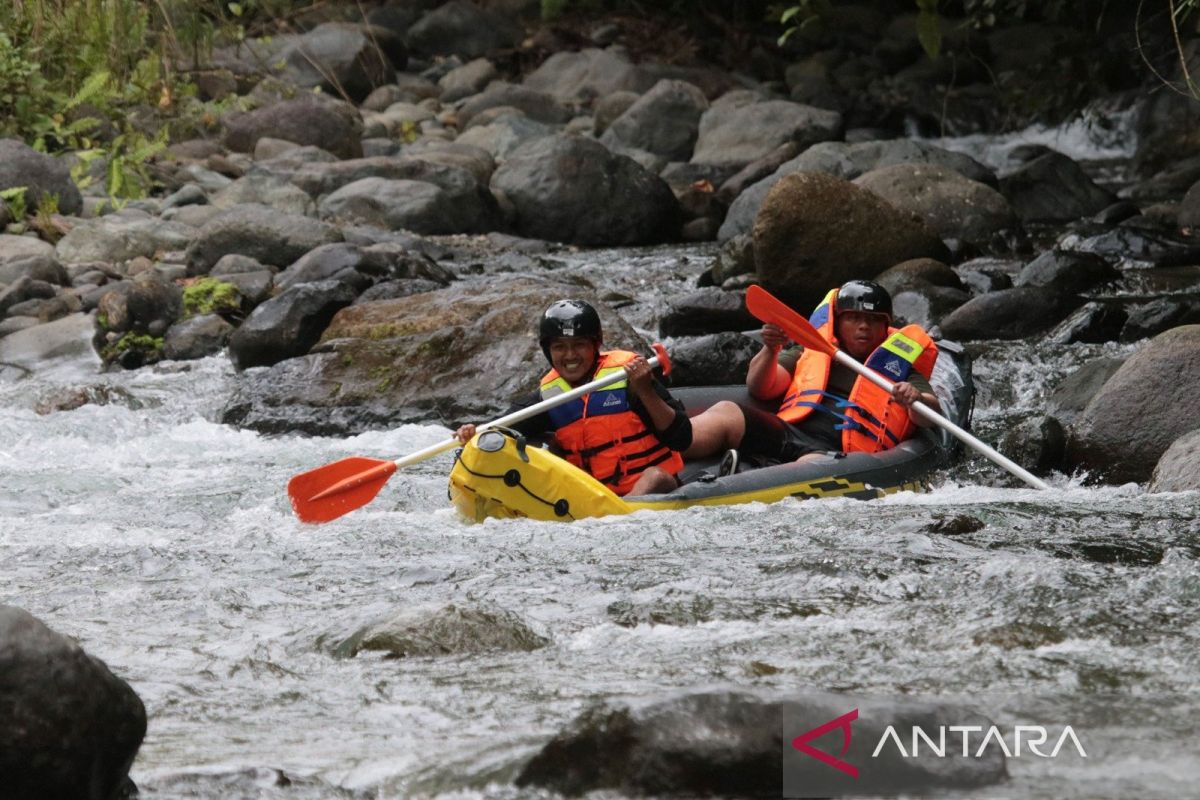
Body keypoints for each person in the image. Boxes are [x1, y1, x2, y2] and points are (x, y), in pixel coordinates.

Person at [685, 280, 942, 468]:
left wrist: (914, 398)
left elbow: (929, 415)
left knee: (811, 466)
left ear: (886, 327)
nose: (864, 326)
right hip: (788, 431)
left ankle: (742, 480)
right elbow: (760, 387)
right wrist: (771, 349)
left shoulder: (901, 367)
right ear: (839, 322)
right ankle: (667, 449)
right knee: (728, 411)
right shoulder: (811, 349)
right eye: (853, 318)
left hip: (834, 450)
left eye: (874, 320)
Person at [454, 299, 692, 496]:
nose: (570, 355)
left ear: (595, 344)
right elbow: (502, 427)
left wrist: (645, 390)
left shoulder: (628, 378)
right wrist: (474, 433)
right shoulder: (548, 397)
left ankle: (623, 513)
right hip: (593, 496)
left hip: (652, 487)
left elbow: (682, 438)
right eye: (559, 347)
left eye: (579, 345)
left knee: (655, 476)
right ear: (548, 350)